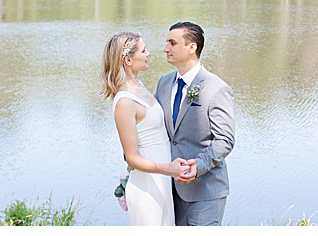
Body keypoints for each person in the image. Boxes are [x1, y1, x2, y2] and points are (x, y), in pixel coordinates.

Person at [99, 32, 188, 226]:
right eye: (143, 50)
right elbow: (132, 157)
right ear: (128, 60)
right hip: (147, 187)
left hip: (162, 182)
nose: (148, 53)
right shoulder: (124, 102)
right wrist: (168, 169)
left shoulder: (138, 86)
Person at [154, 21, 236, 226]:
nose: (166, 49)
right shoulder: (164, 83)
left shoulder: (216, 88)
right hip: (170, 190)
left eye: (172, 43)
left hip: (205, 190)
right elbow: (156, 129)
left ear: (192, 48)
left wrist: (198, 166)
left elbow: (224, 140)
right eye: (167, 42)